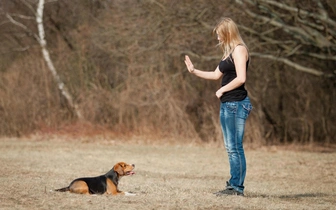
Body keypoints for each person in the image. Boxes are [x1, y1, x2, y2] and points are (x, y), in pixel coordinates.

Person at [184, 17, 252, 196]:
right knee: (231, 147)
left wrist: (222, 90)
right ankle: (233, 184)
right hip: (228, 104)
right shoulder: (228, 53)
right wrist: (194, 71)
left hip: (236, 104)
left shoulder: (239, 50)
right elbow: (215, 75)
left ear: (228, 33)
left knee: (235, 147)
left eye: (220, 35)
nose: (217, 39)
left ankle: (237, 188)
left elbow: (241, 78)